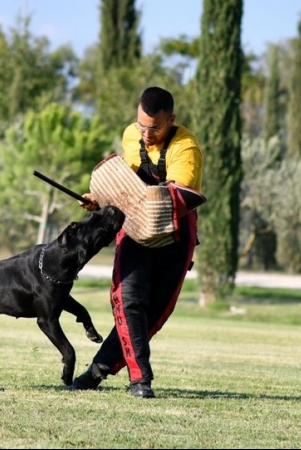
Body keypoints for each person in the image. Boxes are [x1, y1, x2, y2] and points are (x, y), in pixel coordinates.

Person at [70, 86, 204, 399]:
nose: (145, 135)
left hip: (174, 234)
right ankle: (140, 379)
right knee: (128, 299)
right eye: (141, 126)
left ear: (171, 120)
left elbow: (175, 199)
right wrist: (100, 200)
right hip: (133, 228)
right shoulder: (132, 135)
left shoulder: (186, 148)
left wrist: (132, 203)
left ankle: (97, 370)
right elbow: (124, 185)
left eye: (154, 128)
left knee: (154, 312)